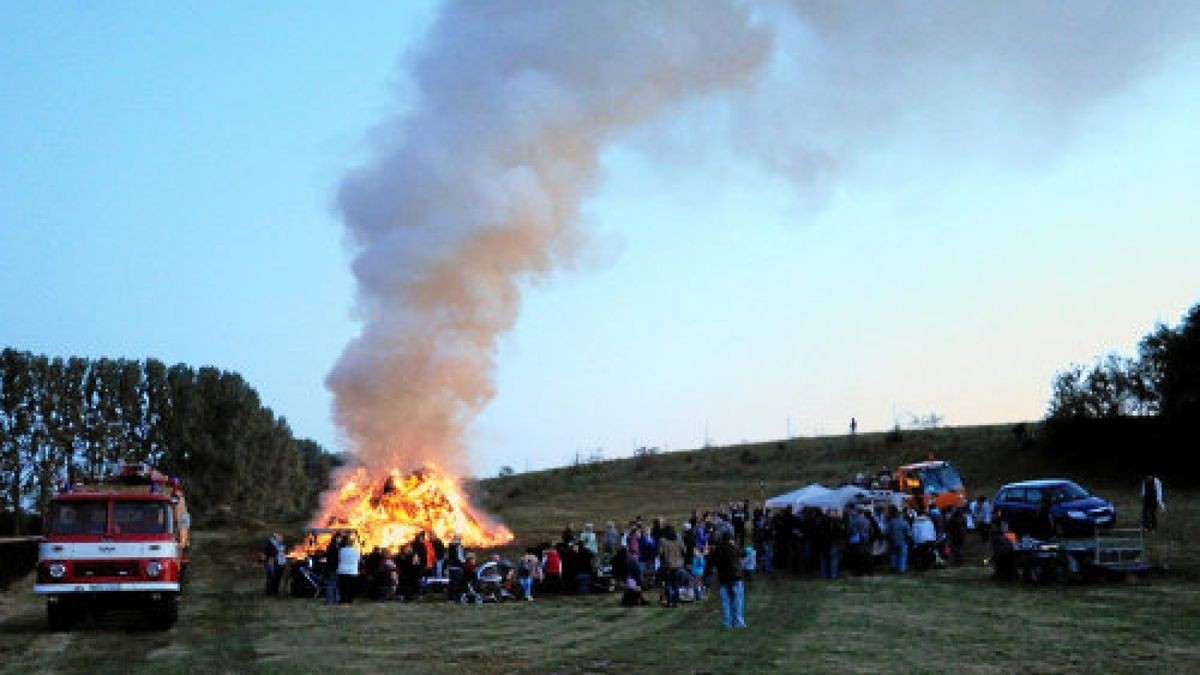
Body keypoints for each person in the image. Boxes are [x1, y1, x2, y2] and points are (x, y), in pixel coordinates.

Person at [712, 532, 745, 628]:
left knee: (726, 602)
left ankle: (727, 622)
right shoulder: (734, 548)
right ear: (731, 540)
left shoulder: (718, 549)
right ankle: (738, 622)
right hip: (736, 577)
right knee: (738, 601)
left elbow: (713, 562)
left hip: (723, 579)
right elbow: (744, 553)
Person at [658, 525, 685, 607]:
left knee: (668, 584)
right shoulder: (679, 540)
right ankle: (676, 601)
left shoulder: (662, 540)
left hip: (668, 565)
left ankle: (669, 601)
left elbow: (660, 553)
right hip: (678, 565)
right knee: (676, 584)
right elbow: (684, 550)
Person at [336, 534, 360, 604]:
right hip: (352, 572)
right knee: (351, 587)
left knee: (343, 587)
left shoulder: (341, 550)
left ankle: (343, 599)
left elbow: (339, 558)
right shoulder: (356, 551)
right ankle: (350, 600)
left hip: (342, 571)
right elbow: (358, 560)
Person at [888, 506, 911, 574]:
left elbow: (887, 531)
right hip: (902, 540)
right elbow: (908, 533)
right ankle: (901, 569)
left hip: (893, 540)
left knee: (893, 555)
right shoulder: (905, 522)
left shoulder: (891, 522)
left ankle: (893, 568)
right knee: (902, 556)